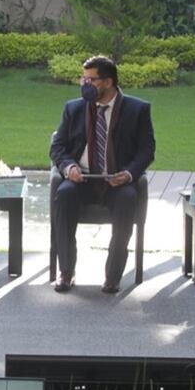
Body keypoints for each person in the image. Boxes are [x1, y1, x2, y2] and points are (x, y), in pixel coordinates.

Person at [49, 55, 156, 293]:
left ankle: (113, 276)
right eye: (83, 78)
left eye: (91, 79)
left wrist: (128, 174)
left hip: (117, 182)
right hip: (81, 180)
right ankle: (66, 271)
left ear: (108, 82)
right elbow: (58, 147)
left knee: (128, 198)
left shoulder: (137, 110)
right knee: (64, 195)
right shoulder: (73, 109)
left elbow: (147, 151)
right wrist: (69, 168)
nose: (84, 84)